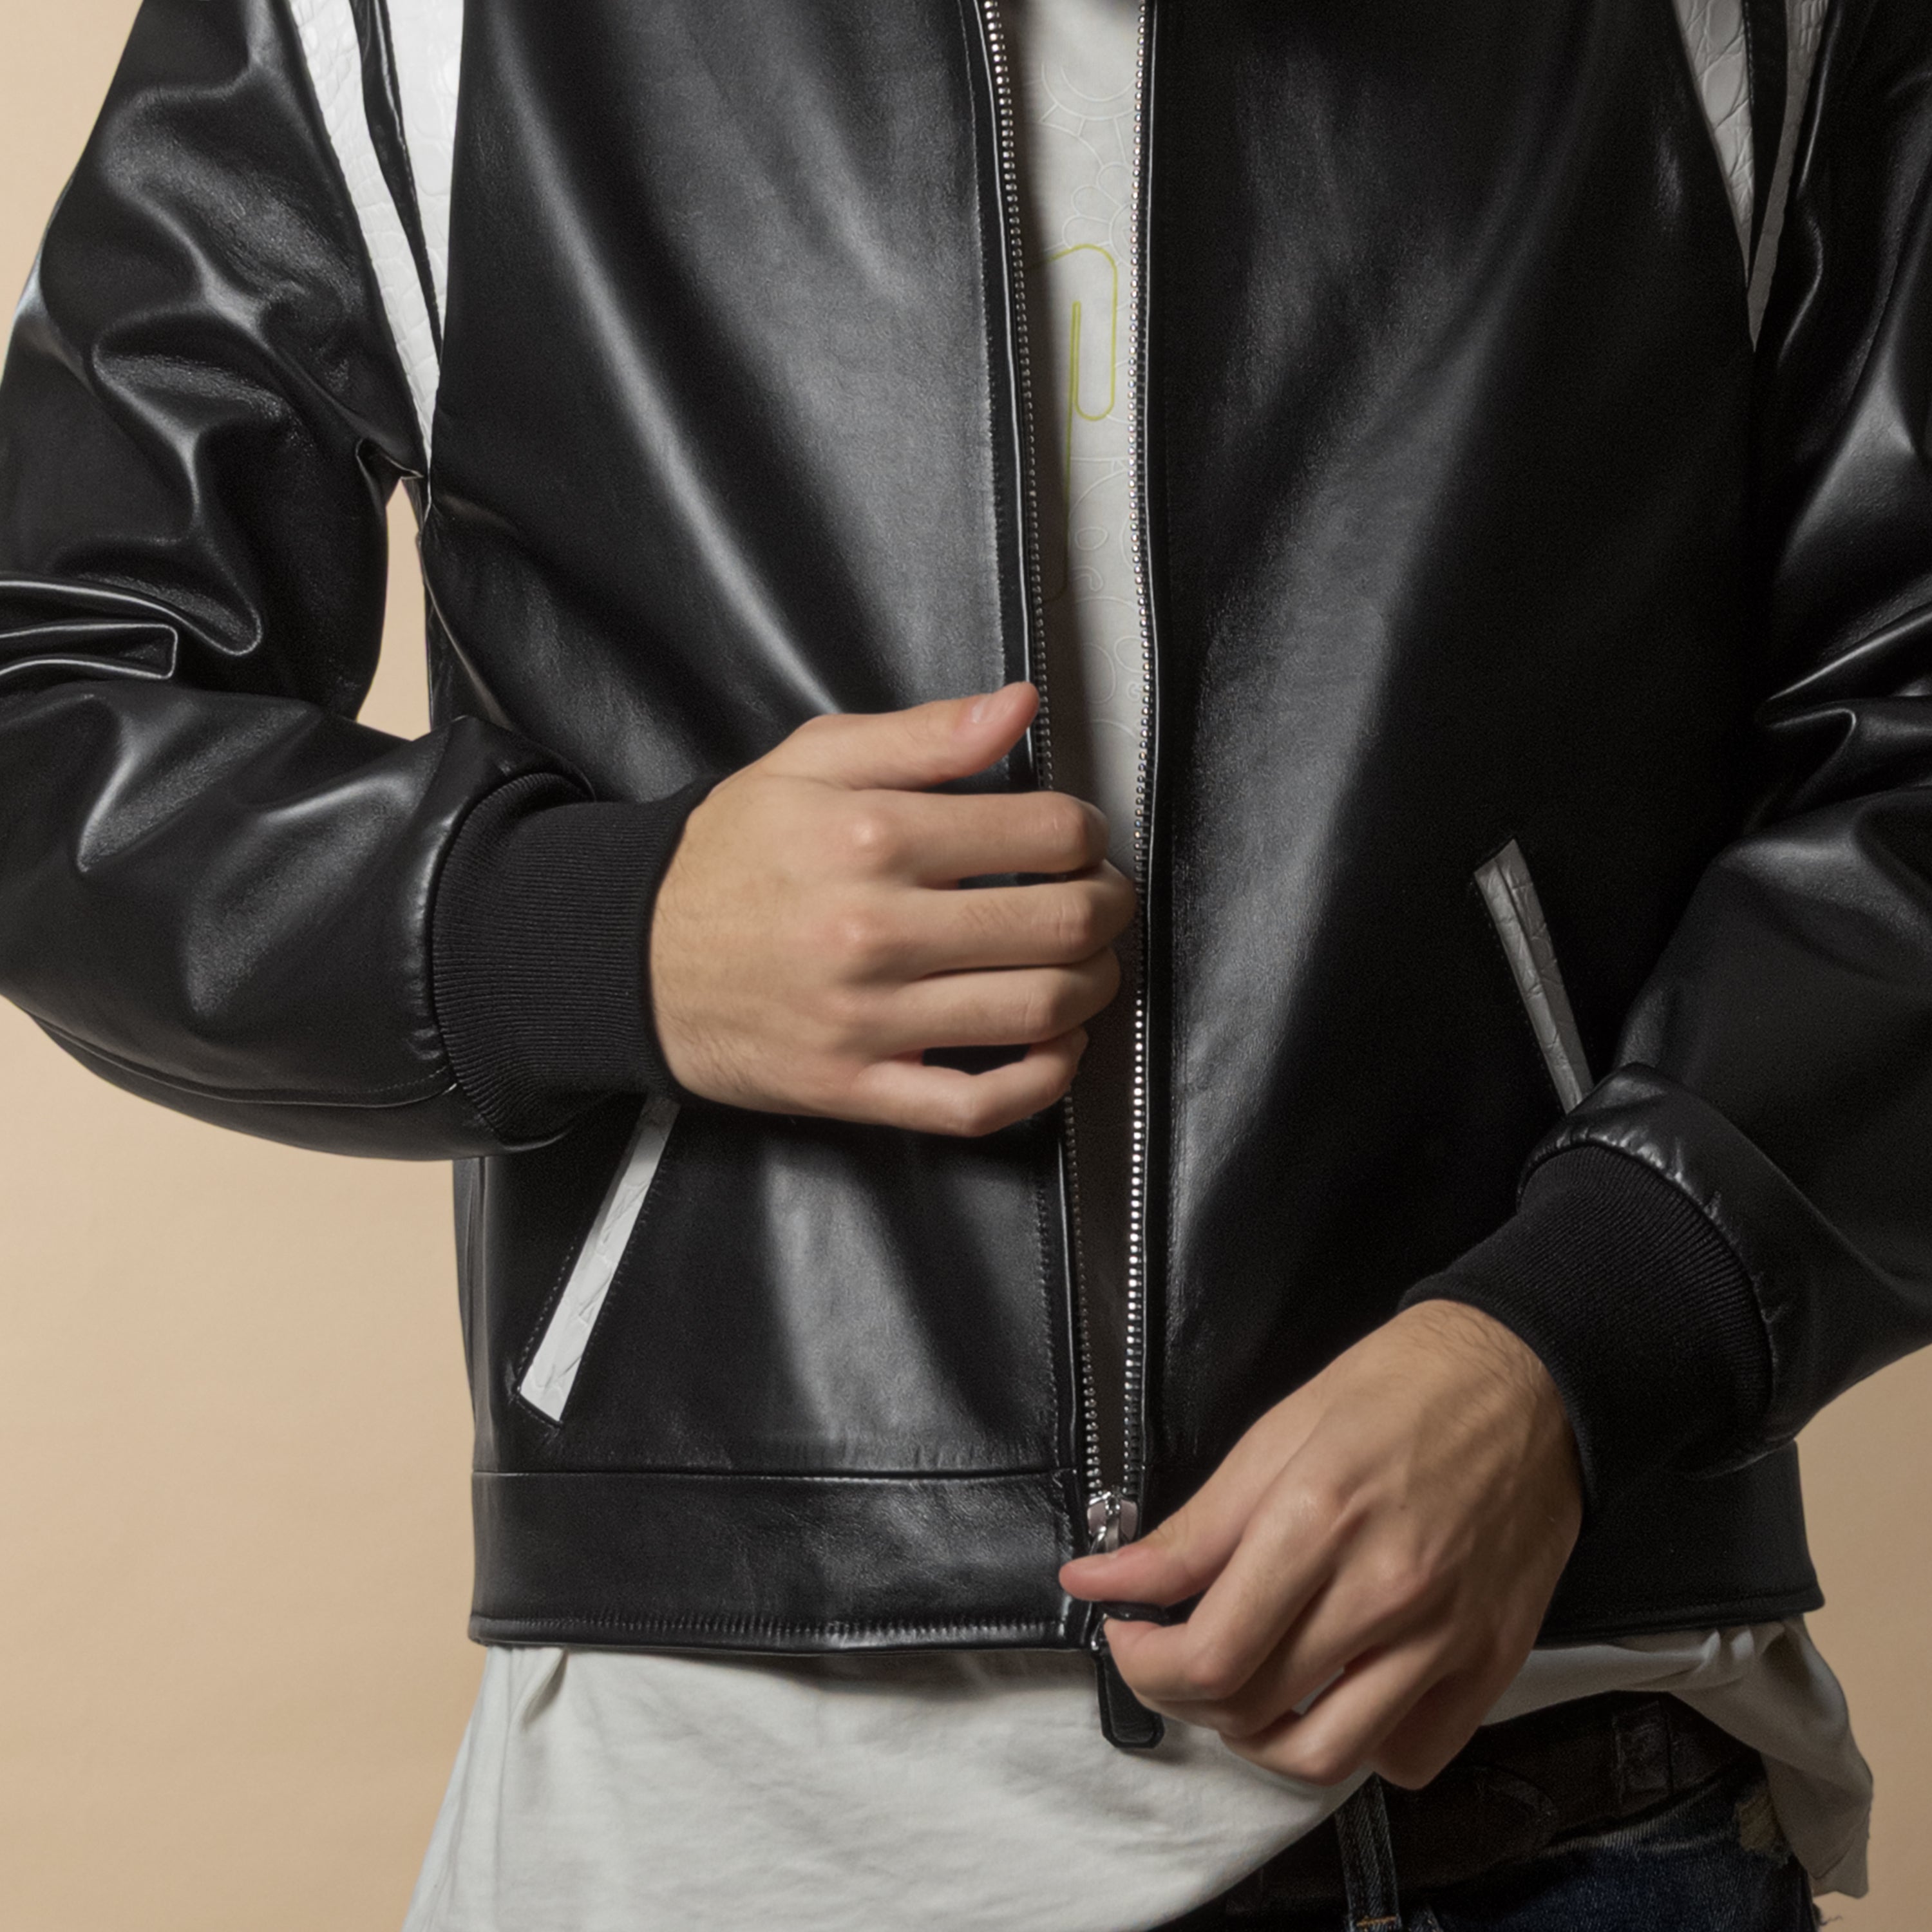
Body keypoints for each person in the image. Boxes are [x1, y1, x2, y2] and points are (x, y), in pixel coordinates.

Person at [1, 0, 1926, 1924]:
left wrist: (1580, 1336)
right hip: (722, 1827)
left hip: (1548, 1802)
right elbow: (52, 718)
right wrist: (602, 935)